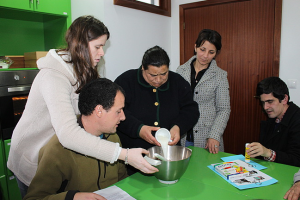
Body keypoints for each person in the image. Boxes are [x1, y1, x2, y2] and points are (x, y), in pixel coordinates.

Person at [7, 15, 157, 198]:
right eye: (98, 47)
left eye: (103, 46)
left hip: (59, 153)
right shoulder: (53, 77)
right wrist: (123, 154)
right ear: (80, 45)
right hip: (32, 155)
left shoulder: (89, 68)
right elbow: (68, 133)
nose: (102, 53)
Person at [24, 78, 128, 200]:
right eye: (118, 111)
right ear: (99, 111)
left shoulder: (113, 137)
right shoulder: (57, 149)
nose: (123, 117)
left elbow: (122, 179)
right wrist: (72, 197)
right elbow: (34, 198)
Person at [115, 45, 199, 175]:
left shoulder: (177, 82)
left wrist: (178, 126)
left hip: (168, 157)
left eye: (164, 74)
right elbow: (116, 112)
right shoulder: (126, 81)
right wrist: (139, 129)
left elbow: (191, 110)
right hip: (132, 159)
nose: (159, 80)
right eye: (153, 75)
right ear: (143, 68)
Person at [176, 29, 231, 154]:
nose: (205, 56)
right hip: (183, 135)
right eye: (202, 49)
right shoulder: (180, 70)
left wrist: (215, 135)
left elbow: (224, 109)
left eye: (211, 52)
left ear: (216, 53)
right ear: (195, 47)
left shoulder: (220, 75)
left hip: (207, 137)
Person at [246, 77, 300, 167]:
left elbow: (297, 160)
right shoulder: (273, 117)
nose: (265, 107)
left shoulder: (297, 120)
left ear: (284, 99)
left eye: (270, 101)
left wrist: (268, 153)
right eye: (263, 102)